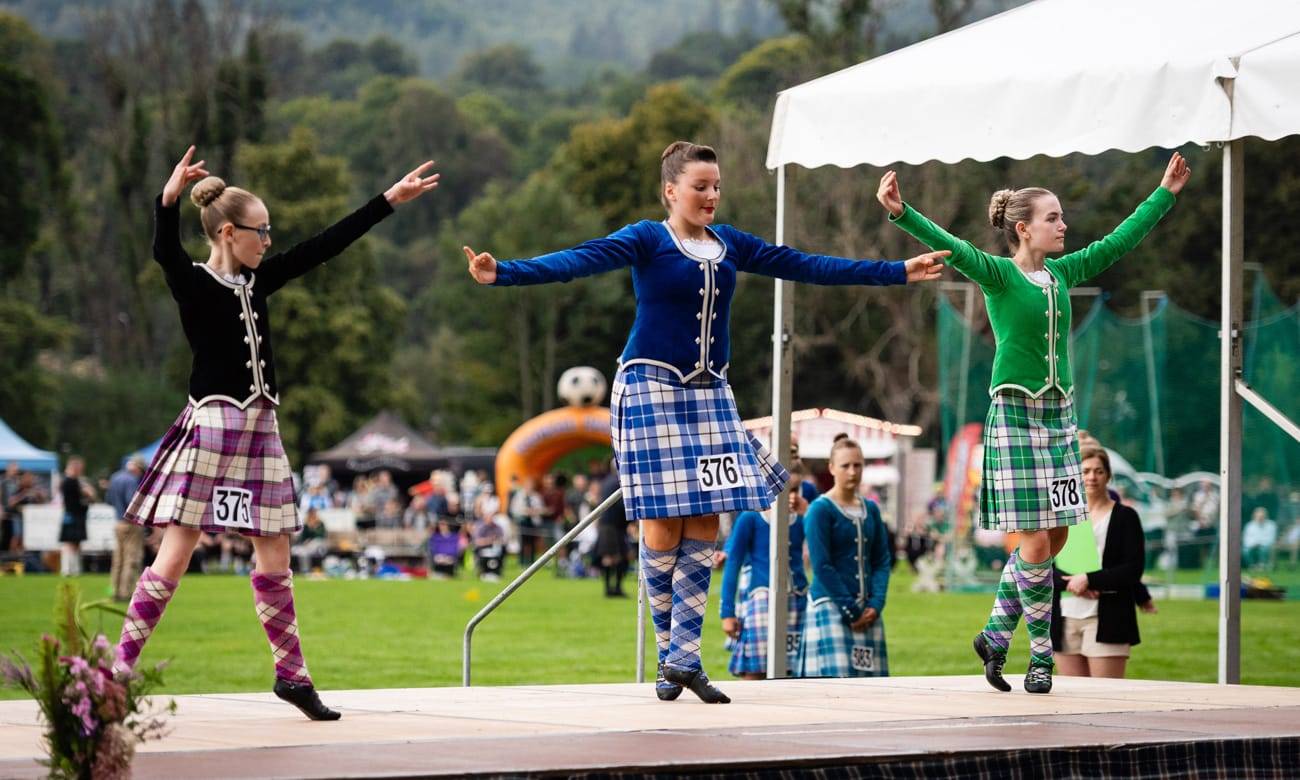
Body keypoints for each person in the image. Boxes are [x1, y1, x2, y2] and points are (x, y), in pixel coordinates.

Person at [465, 140, 945, 703]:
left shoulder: (731, 244)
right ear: (672, 190)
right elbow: (578, 260)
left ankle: (684, 660)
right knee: (663, 529)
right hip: (649, 387)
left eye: (717, 186)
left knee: (705, 524)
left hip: (710, 392)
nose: (712, 195)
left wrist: (895, 272)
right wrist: (504, 273)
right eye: (701, 186)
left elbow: (809, 265)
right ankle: (673, 653)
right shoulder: (647, 238)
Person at [112, 145, 438, 721]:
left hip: (262, 426)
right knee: (177, 550)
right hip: (213, 423)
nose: (269, 241)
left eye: (269, 232)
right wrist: (167, 199)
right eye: (260, 232)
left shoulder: (260, 281)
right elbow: (164, 249)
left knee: (276, 554)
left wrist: (390, 199)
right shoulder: (193, 283)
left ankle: (291, 675)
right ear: (229, 233)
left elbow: (325, 244)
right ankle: (117, 674)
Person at [878, 152, 1191, 694]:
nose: (1064, 224)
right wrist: (903, 213)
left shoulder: (1064, 272)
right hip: (1016, 415)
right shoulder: (999, 276)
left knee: (1059, 533)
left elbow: (1118, 243)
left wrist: (1163, 193)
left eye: (1062, 216)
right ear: (1023, 229)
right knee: (1037, 545)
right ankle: (1041, 655)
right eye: (1054, 218)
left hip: (1059, 416)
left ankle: (996, 632)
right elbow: (953, 248)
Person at [797, 438, 892, 678]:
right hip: (831, 607)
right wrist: (851, 610)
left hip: (867, 610)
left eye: (858, 465)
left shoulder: (871, 509)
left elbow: (881, 560)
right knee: (834, 686)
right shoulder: (820, 509)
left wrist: (876, 604)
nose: (852, 471)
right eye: (845, 465)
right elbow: (821, 565)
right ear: (831, 468)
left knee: (873, 690)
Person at [1052, 447, 1146, 678]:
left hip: (1108, 617)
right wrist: (1072, 584)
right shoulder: (1062, 516)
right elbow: (1042, 564)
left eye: (1098, 471)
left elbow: (1133, 568)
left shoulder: (1125, 517)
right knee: (1071, 701)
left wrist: (1089, 580)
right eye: (1085, 471)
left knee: (1105, 697)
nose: (1092, 477)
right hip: (1064, 618)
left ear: (1108, 475)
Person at [720, 475, 809, 680]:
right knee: (755, 670)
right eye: (786, 488)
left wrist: (809, 511)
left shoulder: (803, 518)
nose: (791, 495)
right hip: (761, 600)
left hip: (798, 600)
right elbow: (733, 563)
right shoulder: (751, 517)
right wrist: (727, 613)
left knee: (796, 670)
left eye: (795, 489)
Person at [106, 458, 146, 600]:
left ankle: (113, 591)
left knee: (117, 561)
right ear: (138, 469)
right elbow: (132, 502)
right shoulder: (131, 480)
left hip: (118, 523)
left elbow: (108, 499)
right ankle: (125, 593)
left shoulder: (115, 477)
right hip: (131, 524)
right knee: (131, 559)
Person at [59, 456, 95, 577]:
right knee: (70, 543)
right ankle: (69, 569)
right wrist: (87, 494)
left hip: (75, 515)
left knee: (75, 543)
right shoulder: (70, 482)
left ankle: (73, 569)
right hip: (74, 514)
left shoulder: (74, 482)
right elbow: (80, 500)